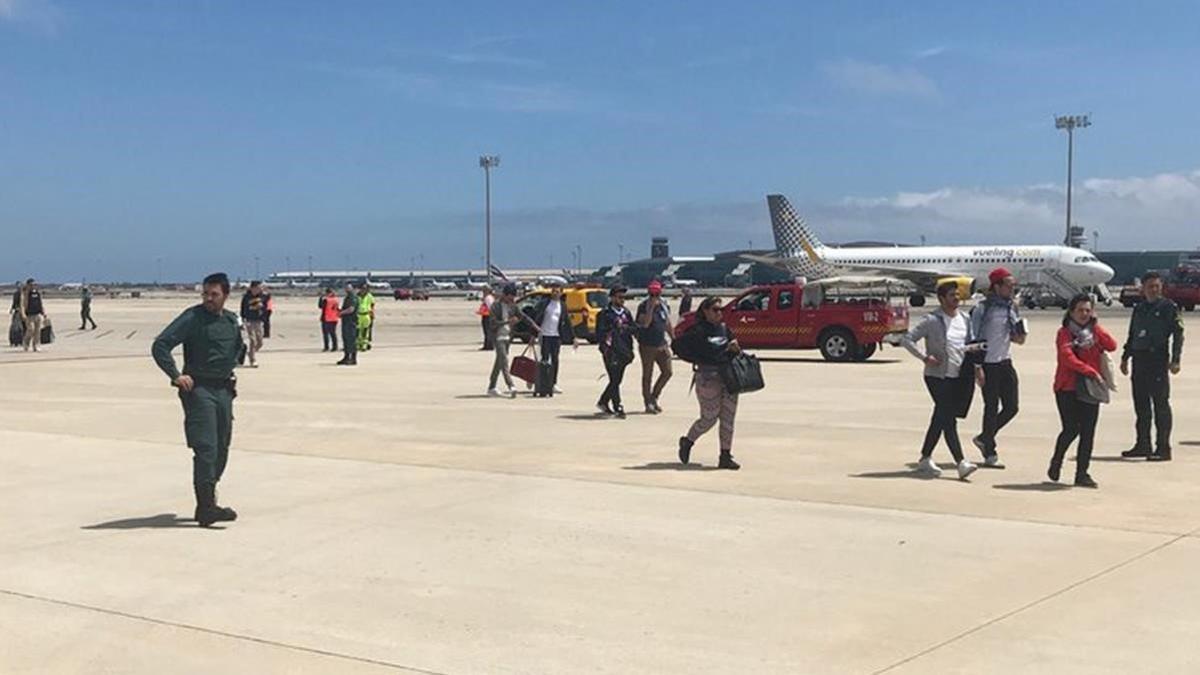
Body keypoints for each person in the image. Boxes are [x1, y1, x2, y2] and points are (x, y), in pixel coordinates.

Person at [151, 272, 243, 527]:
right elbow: (160, 345)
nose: (209, 299)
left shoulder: (231, 321)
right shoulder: (192, 318)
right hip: (199, 389)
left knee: (222, 447)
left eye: (214, 294)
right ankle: (205, 507)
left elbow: (237, 349)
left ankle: (210, 500)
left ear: (226, 295)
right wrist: (176, 375)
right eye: (205, 294)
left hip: (224, 391)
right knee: (206, 448)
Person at [901, 282, 981, 480]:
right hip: (936, 376)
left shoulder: (965, 318)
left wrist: (977, 366)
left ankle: (925, 458)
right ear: (941, 299)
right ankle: (961, 462)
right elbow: (907, 339)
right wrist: (924, 357)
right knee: (948, 418)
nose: (956, 298)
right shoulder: (932, 320)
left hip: (959, 376)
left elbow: (969, 343)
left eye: (957, 294)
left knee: (940, 417)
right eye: (952, 295)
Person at [1049, 294, 1118, 488]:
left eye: (1088, 310)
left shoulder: (1093, 331)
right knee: (1071, 429)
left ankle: (1082, 473)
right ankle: (1057, 460)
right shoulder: (1064, 333)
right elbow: (1066, 358)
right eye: (1080, 310)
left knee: (1088, 432)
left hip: (1090, 388)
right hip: (1068, 387)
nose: (1084, 314)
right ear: (1071, 312)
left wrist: (1096, 327)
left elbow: (1112, 345)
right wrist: (1090, 371)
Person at [1120, 272, 1185, 461]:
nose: (1154, 289)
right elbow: (1132, 334)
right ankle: (1143, 444)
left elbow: (1178, 334)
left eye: (1157, 286)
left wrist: (1175, 359)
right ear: (1143, 289)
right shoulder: (1139, 309)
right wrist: (1125, 357)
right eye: (1150, 286)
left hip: (1157, 359)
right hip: (1139, 360)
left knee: (1160, 405)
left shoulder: (1168, 307)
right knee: (1141, 406)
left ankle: (1163, 448)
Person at [672, 296, 742, 470]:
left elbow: (733, 350)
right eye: (715, 310)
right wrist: (697, 359)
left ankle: (725, 455)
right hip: (708, 377)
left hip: (728, 377)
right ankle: (688, 441)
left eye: (721, 310)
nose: (719, 313)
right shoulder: (698, 331)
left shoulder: (724, 329)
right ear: (705, 311)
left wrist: (735, 349)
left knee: (728, 418)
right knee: (709, 417)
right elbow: (677, 346)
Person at [969, 267, 1027, 468]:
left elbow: (1015, 336)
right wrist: (977, 367)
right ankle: (989, 452)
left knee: (1012, 407)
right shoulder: (982, 309)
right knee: (991, 407)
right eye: (1009, 285)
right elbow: (973, 338)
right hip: (988, 364)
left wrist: (1019, 336)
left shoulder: (1011, 307)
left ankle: (985, 437)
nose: (1013, 289)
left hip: (1005, 362)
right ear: (997, 286)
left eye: (1013, 285)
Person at [596, 285, 635, 418]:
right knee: (614, 378)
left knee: (617, 379)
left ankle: (603, 400)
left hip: (624, 350)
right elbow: (600, 332)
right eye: (619, 297)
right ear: (612, 298)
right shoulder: (605, 314)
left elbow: (632, 328)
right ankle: (617, 405)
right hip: (610, 351)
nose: (622, 300)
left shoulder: (626, 313)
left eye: (623, 297)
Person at [636, 280, 674, 414]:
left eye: (656, 294)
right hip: (647, 345)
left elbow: (667, 323)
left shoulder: (664, 305)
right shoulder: (643, 306)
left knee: (667, 372)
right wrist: (650, 309)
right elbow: (645, 324)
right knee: (647, 375)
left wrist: (673, 338)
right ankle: (648, 403)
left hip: (661, 344)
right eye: (651, 294)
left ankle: (654, 396)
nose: (654, 297)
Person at [487, 284, 528, 397]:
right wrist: (507, 322)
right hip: (498, 337)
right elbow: (492, 323)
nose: (512, 300)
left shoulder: (512, 306)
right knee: (504, 362)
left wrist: (535, 327)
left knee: (499, 362)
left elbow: (522, 316)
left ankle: (491, 387)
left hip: (508, 337)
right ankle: (511, 386)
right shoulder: (495, 306)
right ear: (504, 295)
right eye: (510, 297)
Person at [534, 283, 576, 394]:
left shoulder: (562, 305)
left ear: (561, 293)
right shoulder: (545, 304)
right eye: (553, 291)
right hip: (545, 335)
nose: (555, 293)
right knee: (544, 359)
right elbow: (537, 318)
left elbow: (567, 322)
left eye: (557, 291)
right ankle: (543, 382)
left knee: (555, 360)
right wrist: (533, 334)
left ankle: (553, 383)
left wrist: (573, 338)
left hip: (556, 336)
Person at [239, 281, 267, 367]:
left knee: (260, 342)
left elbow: (266, 307)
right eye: (258, 287)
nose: (260, 289)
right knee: (252, 340)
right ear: (252, 288)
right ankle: (253, 360)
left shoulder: (263, 296)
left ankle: (251, 353)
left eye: (261, 288)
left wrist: (264, 315)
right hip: (249, 320)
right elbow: (242, 309)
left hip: (258, 321)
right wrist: (242, 320)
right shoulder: (246, 297)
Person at [19, 278, 46, 352]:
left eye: (34, 285)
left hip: (38, 314)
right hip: (29, 315)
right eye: (31, 285)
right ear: (27, 285)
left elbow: (40, 303)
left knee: (38, 331)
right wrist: (23, 314)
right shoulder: (25, 294)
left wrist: (43, 312)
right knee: (31, 329)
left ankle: (36, 345)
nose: (32, 286)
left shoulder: (37, 293)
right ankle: (26, 343)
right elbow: (22, 305)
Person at [337, 282, 359, 366]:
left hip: (351, 322)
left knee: (351, 340)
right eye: (345, 287)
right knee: (346, 340)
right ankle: (346, 357)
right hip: (346, 321)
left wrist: (341, 313)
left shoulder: (353, 297)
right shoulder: (348, 297)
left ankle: (353, 359)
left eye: (348, 287)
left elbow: (351, 309)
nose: (346, 289)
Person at [318, 287, 340, 352]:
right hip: (334, 318)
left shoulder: (326, 300)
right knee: (333, 333)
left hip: (327, 318)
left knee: (326, 334)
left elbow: (320, 306)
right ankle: (335, 347)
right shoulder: (336, 299)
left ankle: (326, 347)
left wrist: (321, 298)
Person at [356, 282, 376, 352]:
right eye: (362, 288)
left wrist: (372, 313)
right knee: (358, 331)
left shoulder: (369, 296)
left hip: (366, 315)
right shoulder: (357, 296)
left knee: (365, 330)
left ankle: (364, 345)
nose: (363, 290)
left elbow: (372, 304)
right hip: (358, 315)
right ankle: (358, 345)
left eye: (365, 289)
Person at [478, 285, 495, 351]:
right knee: (487, 331)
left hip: (488, 316)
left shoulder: (488, 298)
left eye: (484, 290)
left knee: (488, 331)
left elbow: (490, 307)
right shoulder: (488, 297)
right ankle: (487, 345)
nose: (483, 291)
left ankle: (489, 345)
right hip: (487, 315)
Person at [9, 280, 24, 347]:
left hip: (23, 312)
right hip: (17, 311)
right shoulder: (16, 294)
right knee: (15, 327)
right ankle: (14, 341)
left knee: (22, 327)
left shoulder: (24, 293)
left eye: (20, 286)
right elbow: (14, 303)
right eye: (18, 286)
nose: (19, 287)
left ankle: (21, 341)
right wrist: (12, 309)